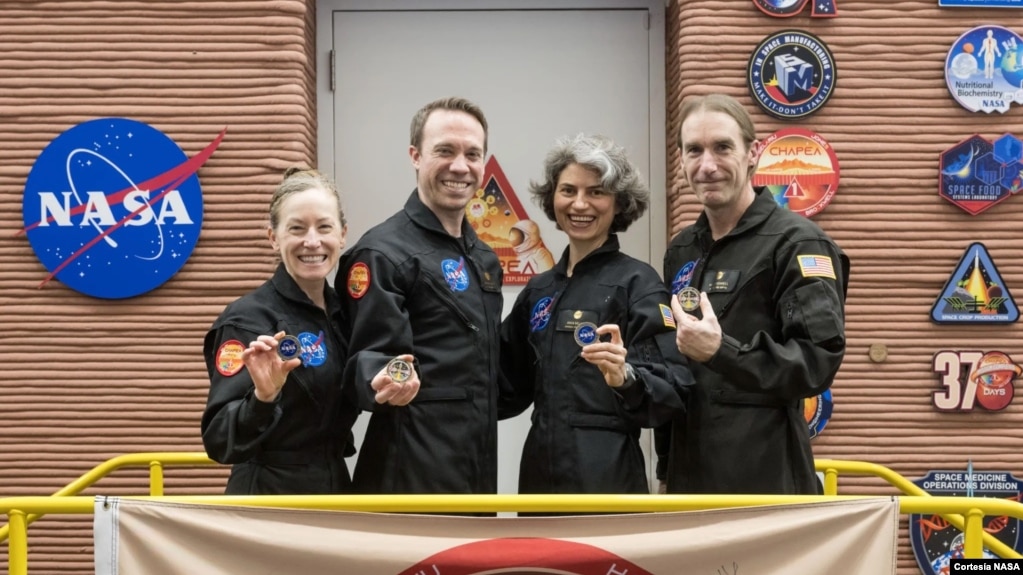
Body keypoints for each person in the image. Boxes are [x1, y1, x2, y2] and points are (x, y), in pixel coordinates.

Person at [659, 93, 849, 495]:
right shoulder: (681, 250)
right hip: (687, 481)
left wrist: (721, 352)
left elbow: (815, 363)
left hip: (765, 483)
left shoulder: (797, 243)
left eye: (722, 147)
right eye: (694, 150)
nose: (707, 165)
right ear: (681, 159)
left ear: (753, 152)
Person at [201, 167, 418, 495]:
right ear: (273, 237)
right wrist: (264, 396)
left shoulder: (346, 315)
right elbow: (219, 442)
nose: (312, 241)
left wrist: (387, 380)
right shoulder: (247, 320)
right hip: (267, 500)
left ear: (343, 234)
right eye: (297, 228)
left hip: (336, 492)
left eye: (324, 227)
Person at [500, 134, 692, 496]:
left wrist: (626, 376)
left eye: (596, 192)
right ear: (551, 198)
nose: (580, 204)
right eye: (568, 190)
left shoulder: (638, 283)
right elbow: (502, 383)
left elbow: (673, 390)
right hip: (539, 475)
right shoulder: (539, 290)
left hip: (608, 475)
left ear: (619, 203)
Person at [338, 97, 503, 495]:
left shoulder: (483, 256)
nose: (460, 166)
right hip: (407, 472)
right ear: (415, 155)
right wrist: (380, 377)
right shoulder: (381, 253)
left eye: (472, 154)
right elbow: (365, 355)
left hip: (476, 464)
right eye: (444, 151)